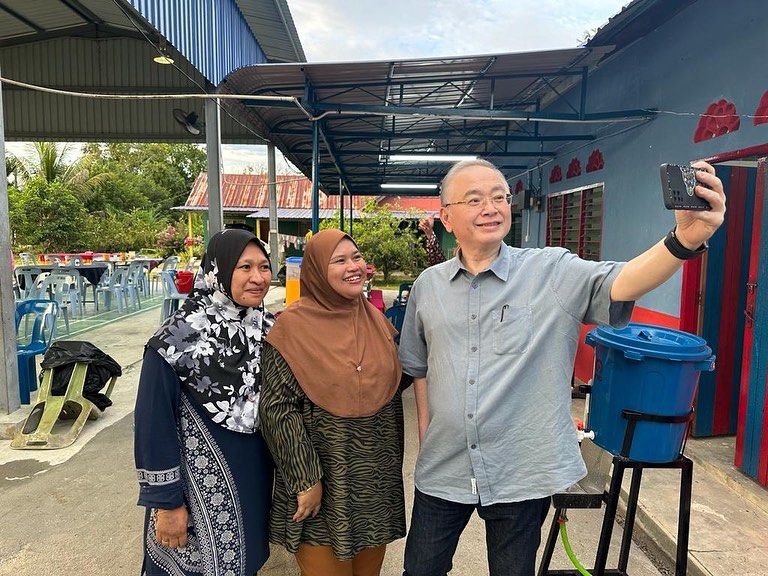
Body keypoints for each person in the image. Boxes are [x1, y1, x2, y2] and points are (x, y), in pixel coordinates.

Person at [398, 158, 725, 576]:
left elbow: (624, 281)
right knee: (420, 569)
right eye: (474, 199)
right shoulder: (428, 287)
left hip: (521, 470)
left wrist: (683, 241)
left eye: (499, 197)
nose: (491, 208)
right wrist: (427, 436)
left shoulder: (551, 271)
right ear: (446, 217)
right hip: (443, 467)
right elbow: (420, 368)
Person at [260, 228, 410, 576]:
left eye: (356, 257)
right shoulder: (292, 328)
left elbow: (392, 387)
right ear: (316, 271)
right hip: (322, 485)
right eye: (339, 260)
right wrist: (305, 480)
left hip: (373, 482)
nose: (353, 266)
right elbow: (277, 410)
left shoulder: (377, 322)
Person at [134, 229, 275, 576]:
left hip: (253, 482)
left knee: (244, 563)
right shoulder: (174, 340)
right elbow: (153, 427)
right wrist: (167, 504)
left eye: (264, 267)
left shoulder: (269, 330)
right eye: (245, 267)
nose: (258, 278)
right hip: (193, 494)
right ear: (218, 271)